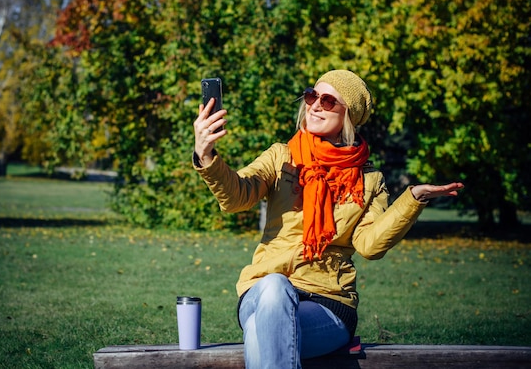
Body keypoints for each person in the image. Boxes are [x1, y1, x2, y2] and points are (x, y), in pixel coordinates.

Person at [193, 70, 464, 369]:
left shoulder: (369, 180)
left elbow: (370, 246)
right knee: (275, 287)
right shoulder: (280, 157)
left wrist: (414, 198)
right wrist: (206, 155)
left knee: (260, 335)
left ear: (350, 115)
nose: (315, 105)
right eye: (312, 96)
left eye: (328, 100)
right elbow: (236, 197)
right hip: (263, 294)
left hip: (329, 304)